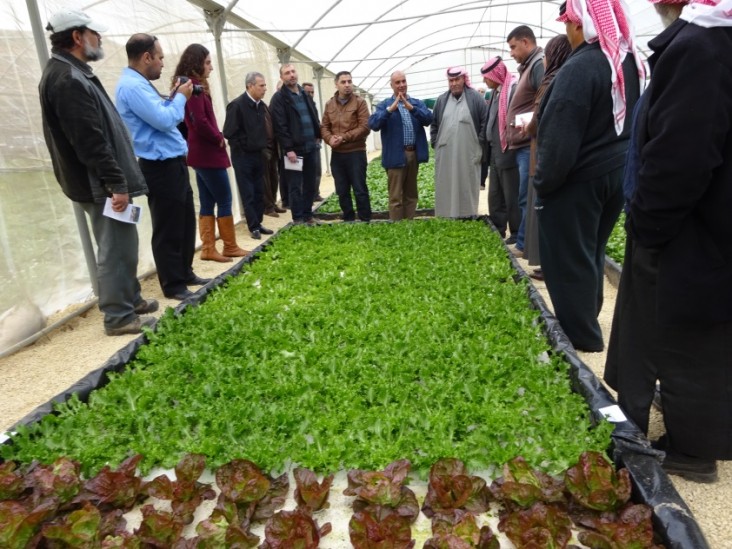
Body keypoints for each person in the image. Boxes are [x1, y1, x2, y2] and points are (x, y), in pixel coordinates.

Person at [604, 0, 732, 483]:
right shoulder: (704, 40)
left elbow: (683, 153)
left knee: (684, 334)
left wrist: (651, 221)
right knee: (681, 326)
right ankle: (685, 433)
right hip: (695, 222)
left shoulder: (701, 46)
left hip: (685, 226)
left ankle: (694, 449)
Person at [532, 0, 643, 352]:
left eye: (568, 23)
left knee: (568, 261)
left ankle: (582, 341)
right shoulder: (627, 61)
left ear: (581, 24)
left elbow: (560, 138)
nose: (566, 29)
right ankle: (588, 318)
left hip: (579, 181)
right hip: (613, 174)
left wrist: (543, 184)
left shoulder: (582, 66)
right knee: (589, 253)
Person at [39, 9, 157, 336]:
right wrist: (116, 183)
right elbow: (89, 140)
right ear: (77, 37)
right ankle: (119, 317)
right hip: (101, 185)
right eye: (94, 33)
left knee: (125, 242)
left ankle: (130, 300)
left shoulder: (75, 72)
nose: (100, 38)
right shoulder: (67, 79)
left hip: (106, 182)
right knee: (114, 248)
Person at [116, 33, 209, 301]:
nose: (163, 63)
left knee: (183, 221)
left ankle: (185, 271)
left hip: (173, 163)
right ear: (146, 57)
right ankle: (173, 284)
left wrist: (173, 98)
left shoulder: (142, 85)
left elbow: (161, 114)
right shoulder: (132, 87)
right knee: (168, 225)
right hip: (158, 166)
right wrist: (180, 98)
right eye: (160, 57)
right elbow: (165, 120)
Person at [172, 44, 248, 262]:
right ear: (196, 63)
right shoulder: (193, 86)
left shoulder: (189, 85)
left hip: (199, 152)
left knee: (207, 200)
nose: (211, 67)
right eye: (207, 62)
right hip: (206, 151)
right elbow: (200, 122)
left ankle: (208, 249)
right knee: (224, 198)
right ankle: (229, 246)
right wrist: (218, 138)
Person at [523, 35, 573, 280]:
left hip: (546, 157)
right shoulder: (561, 78)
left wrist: (529, 127)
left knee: (547, 212)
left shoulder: (554, 80)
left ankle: (552, 266)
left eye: (548, 55)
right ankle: (549, 264)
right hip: (546, 155)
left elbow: (540, 118)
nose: (545, 59)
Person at [368, 71, 433, 221]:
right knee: (395, 195)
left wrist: (412, 109)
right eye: (397, 82)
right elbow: (374, 124)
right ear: (391, 85)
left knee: (411, 193)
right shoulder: (384, 105)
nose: (401, 85)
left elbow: (428, 119)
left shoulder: (416, 103)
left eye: (403, 81)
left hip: (413, 153)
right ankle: (398, 226)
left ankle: (408, 223)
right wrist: (390, 110)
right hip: (395, 154)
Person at [505, 25, 545, 254]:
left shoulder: (538, 65)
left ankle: (524, 244)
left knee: (527, 197)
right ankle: (525, 242)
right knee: (524, 196)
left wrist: (529, 126)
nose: (511, 52)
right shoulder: (528, 66)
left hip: (530, 145)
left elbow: (544, 99)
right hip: (522, 144)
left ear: (526, 43)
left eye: (513, 47)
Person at [429, 67, 487, 218]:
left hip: (468, 153)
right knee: (446, 185)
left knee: (467, 184)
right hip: (446, 153)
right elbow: (434, 124)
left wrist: (479, 145)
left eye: (457, 80)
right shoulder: (441, 100)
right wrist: (435, 142)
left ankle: (468, 215)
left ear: (463, 79)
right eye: (451, 80)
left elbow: (484, 123)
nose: (454, 83)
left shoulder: (476, 98)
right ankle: (445, 216)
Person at [222, 72, 274, 240]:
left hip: (258, 154)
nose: (265, 89)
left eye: (265, 85)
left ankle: (258, 222)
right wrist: (244, 146)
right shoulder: (237, 105)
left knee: (260, 191)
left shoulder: (260, 105)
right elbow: (229, 132)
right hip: (243, 157)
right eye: (261, 85)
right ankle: (253, 226)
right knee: (248, 192)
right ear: (250, 86)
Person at [270, 64, 322, 225]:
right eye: (287, 73)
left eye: (293, 72)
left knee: (310, 183)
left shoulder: (304, 94)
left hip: (310, 147)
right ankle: (298, 218)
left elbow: (313, 114)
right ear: (282, 78)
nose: (291, 75)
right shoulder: (279, 98)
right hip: (294, 151)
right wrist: (288, 149)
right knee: (294, 185)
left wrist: (318, 135)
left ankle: (308, 215)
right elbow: (280, 125)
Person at [321, 71, 372, 222]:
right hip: (337, 154)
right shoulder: (330, 104)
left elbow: (365, 127)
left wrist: (343, 137)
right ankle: (348, 219)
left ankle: (365, 220)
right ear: (336, 84)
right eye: (343, 82)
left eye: (349, 81)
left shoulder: (360, 102)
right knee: (341, 190)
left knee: (359, 189)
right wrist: (330, 139)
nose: (347, 85)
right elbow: (324, 127)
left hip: (355, 152)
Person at [481, 57, 519, 241]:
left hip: (508, 151)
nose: (484, 81)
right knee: (495, 193)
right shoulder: (496, 93)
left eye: (486, 76)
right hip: (495, 151)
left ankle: (517, 231)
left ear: (495, 75)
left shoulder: (511, 89)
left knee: (511, 193)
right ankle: (498, 227)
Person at [302, 82, 324, 202]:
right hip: (305, 145)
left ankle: (316, 193)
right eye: (308, 92)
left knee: (317, 170)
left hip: (315, 143)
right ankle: (309, 196)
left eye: (312, 92)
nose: (310, 94)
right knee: (308, 173)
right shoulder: (302, 106)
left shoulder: (313, 105)